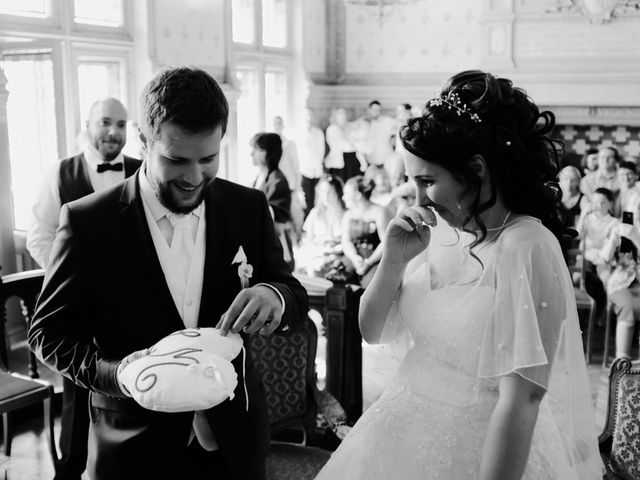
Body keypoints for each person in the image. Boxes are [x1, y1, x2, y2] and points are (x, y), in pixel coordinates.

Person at [316, 70, 602, 479]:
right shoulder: (432, 230)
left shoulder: (527, 246)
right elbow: (372, 331)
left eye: (427, 181)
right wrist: (394, 259)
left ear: (476, 169)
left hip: (482, 450)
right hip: (395, 432)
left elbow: (522, 400)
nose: (416, 199)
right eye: (410, 181)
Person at [28, 67, 307, 480]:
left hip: (232, 440)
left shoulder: (247, 207)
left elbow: (291, 291)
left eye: (207, 159)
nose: (194, 178)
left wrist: (275, 295)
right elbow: (47, 333)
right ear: (143, 140)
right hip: (132, 447)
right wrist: (118, 374)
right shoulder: (88, 222)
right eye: (176, 160)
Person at [26, 97, 141, 480]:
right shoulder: (61, 173)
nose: (113, 131)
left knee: (134, 384)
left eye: (122, 124)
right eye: (106, 122)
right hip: (80, 307)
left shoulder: (143, 172)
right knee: (78, 393)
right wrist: (68, 281)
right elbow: (39, 237)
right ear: (88, 125)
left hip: (133, 306)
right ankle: (72, 467)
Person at [251, 132, 295, 270]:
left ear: (268, 153)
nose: (251, 154)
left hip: (275, 245)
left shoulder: (278, 181)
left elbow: (276, 220)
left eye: (257, 149)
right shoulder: (260, 177)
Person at [341, 175, 391, 288]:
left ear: (358, 194)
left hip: (375, 257)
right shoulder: (348, 215)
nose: (343, 197)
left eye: (346, 194)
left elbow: (386, 242)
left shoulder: (380, 212)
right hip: (354, 257)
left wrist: (369, 262)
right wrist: (354, 258)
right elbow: (346, 241)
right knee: (340, 277)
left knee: (371, 285)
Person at [294, 107, 326, 218]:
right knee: (306, 199)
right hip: (303, 172)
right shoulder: (296, 133)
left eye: (311, 115)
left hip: (317, 171)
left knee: (319, 198)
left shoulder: (318, 132)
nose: (309, 118)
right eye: (306, 115)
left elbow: (321, 152)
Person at [324, 107, 362, 183]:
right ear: (335, 116)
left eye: (345, 113)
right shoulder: (332, 129)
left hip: (352, 162)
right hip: (339, 164)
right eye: (341, 114)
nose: (344, 116)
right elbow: (346, 146)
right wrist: (356, 144)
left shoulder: (348, 127)